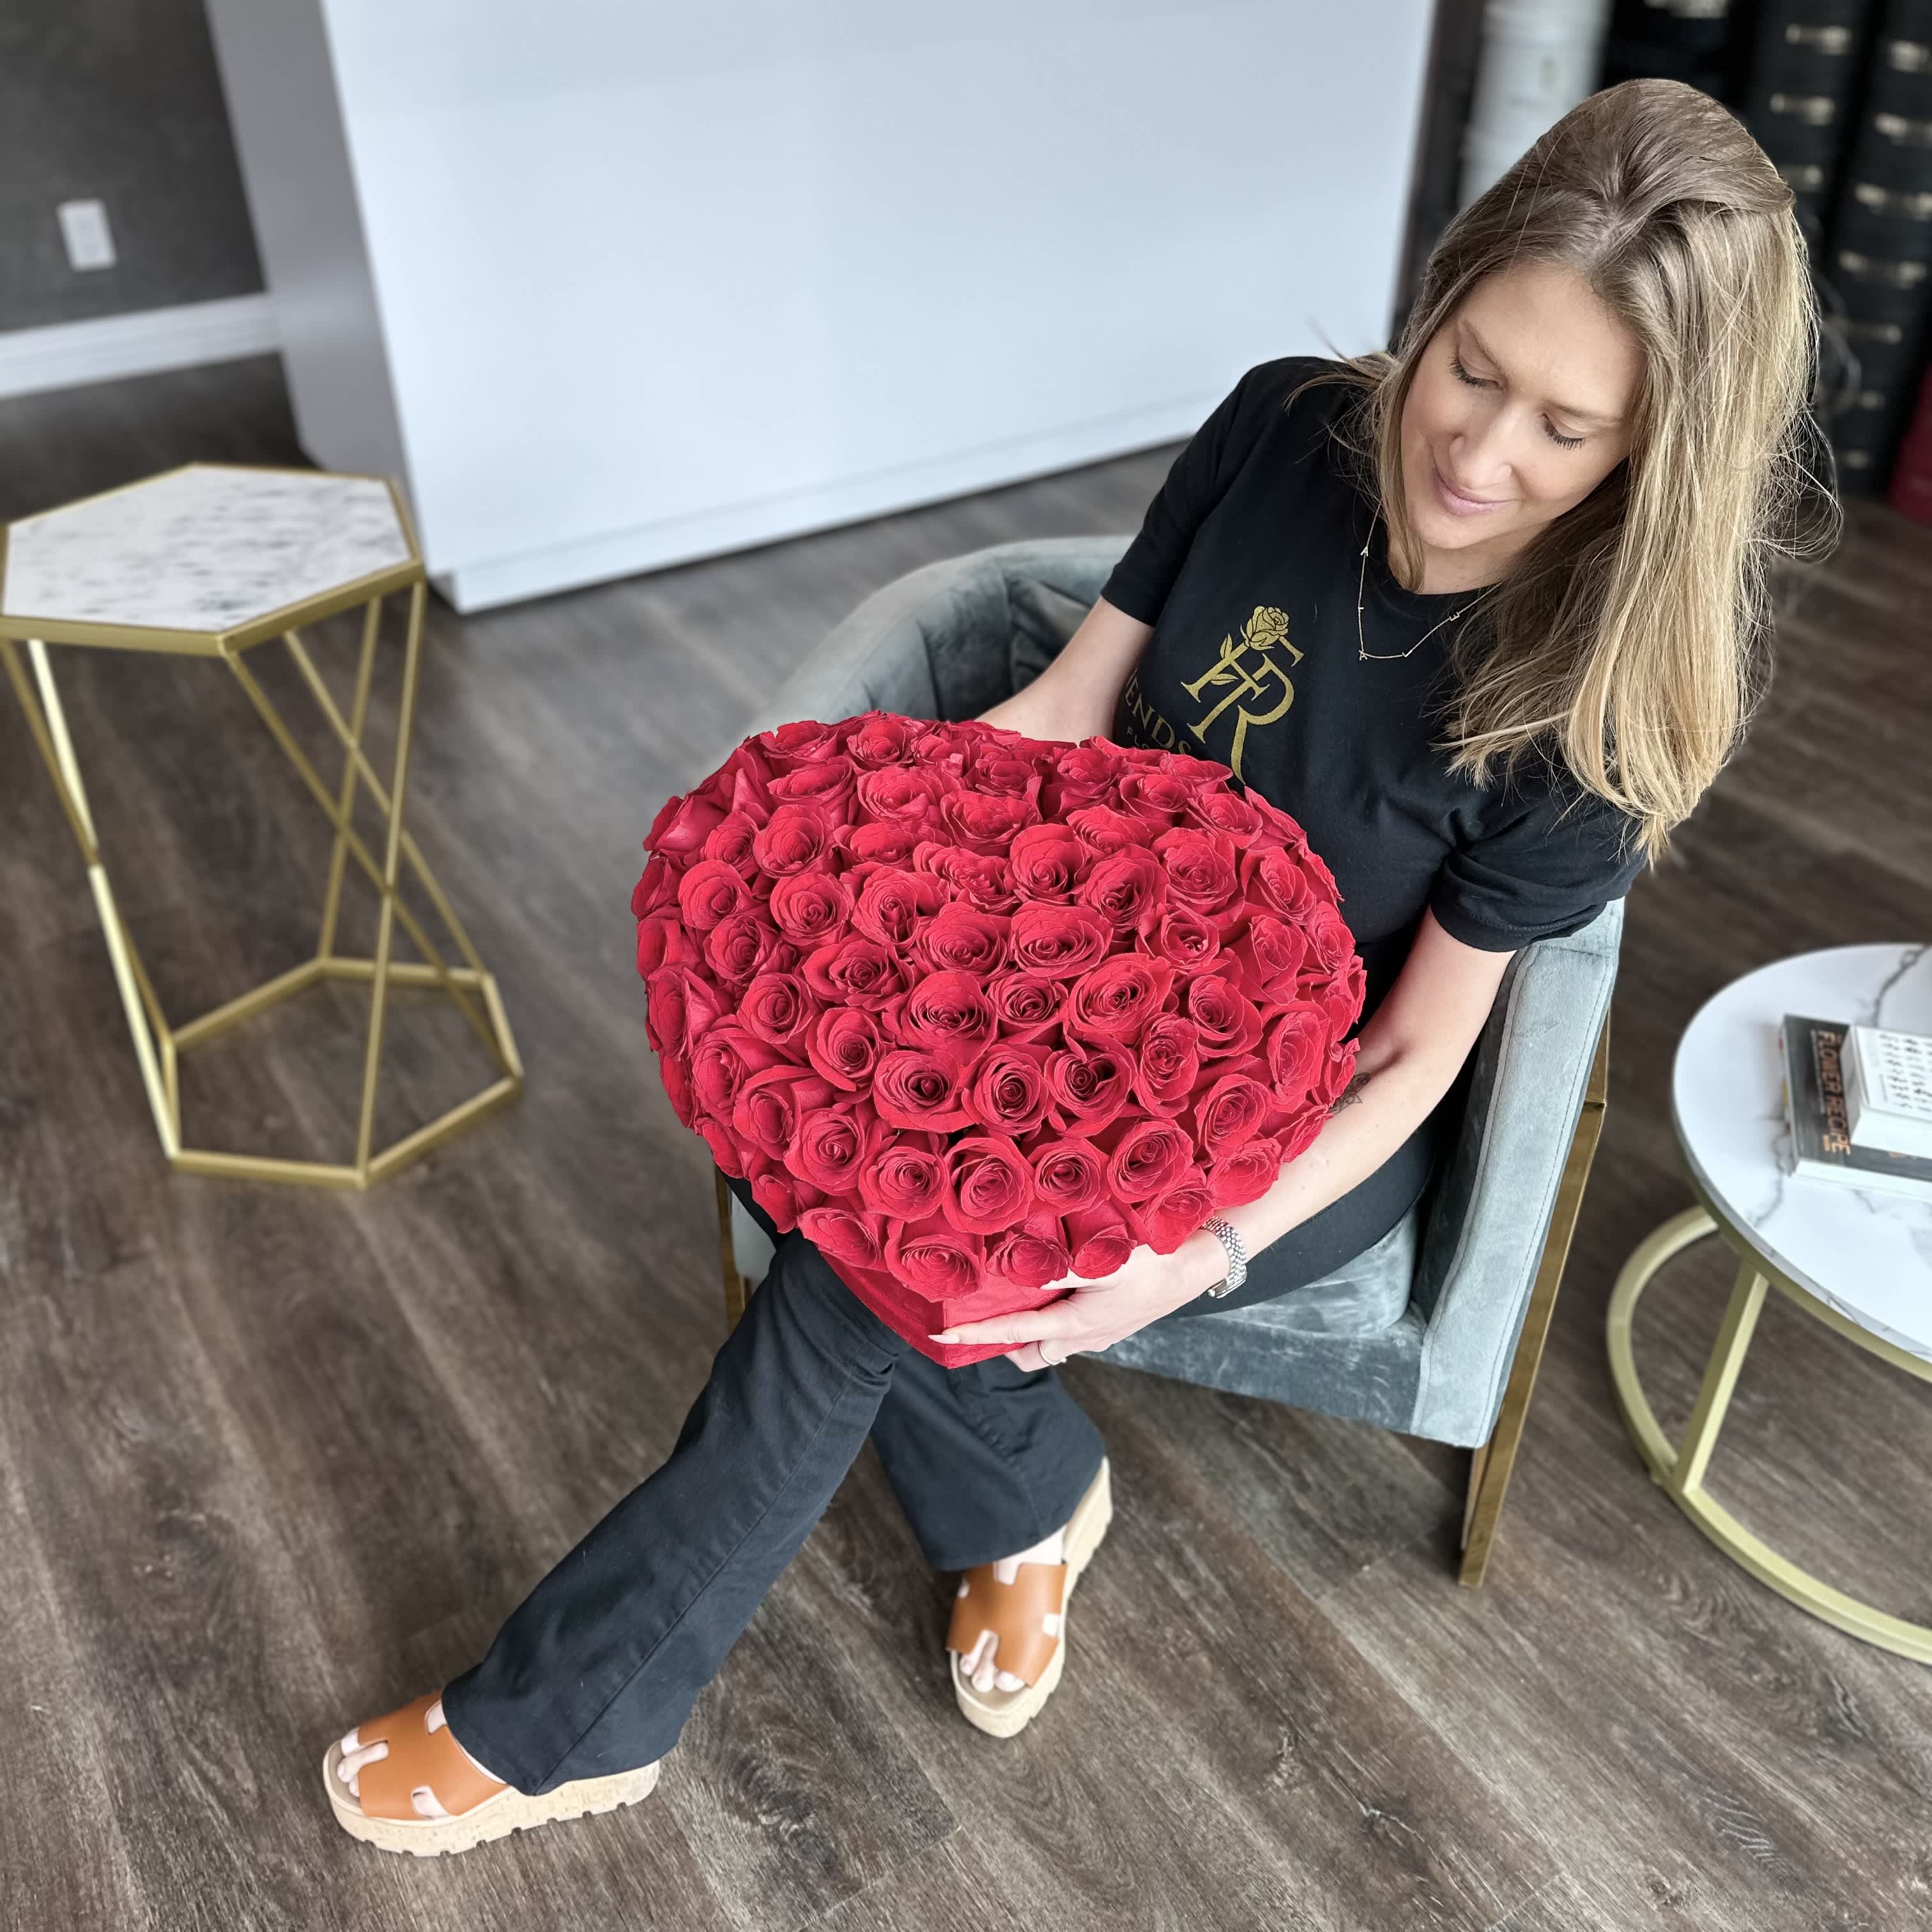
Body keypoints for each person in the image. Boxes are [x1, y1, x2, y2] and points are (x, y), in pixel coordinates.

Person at [322, 76, 1836, 1856]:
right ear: (1441, 299)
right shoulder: (1287, 430)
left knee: (871, 1264)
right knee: (835, 1133)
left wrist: (1202, 1244)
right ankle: (1025, 1499)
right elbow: (1061, 716)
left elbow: (1418, 1056)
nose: (1479, 453)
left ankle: (574, 1709)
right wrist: (853, 918)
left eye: (1567, 430)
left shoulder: (1587, 705)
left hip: (1288, 1118)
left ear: (1656, 461)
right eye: (1472, 367)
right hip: (1053, 982)